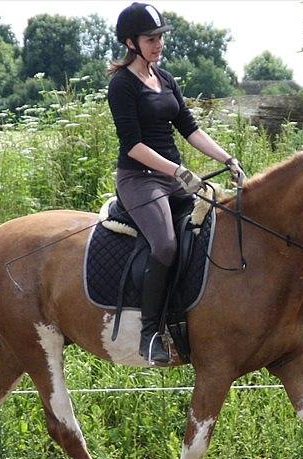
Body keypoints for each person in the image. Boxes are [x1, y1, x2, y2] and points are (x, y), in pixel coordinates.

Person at [108, 2, 245, 366]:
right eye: (150, 39)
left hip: (172, 177)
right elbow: (133, 146)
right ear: (131, 42)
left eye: (160, 38)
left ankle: (191, 317)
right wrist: (177, 172)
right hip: (140, 180)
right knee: (166, 245)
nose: (158, 44)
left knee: (215, 226)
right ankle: (150, 332)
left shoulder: (165, 79)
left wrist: (227, 159)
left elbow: (191, 129)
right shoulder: (121, 85)